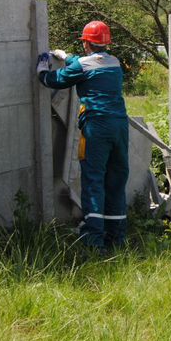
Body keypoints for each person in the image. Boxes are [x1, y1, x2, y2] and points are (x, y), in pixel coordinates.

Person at [36, 20, 129, 253]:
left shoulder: (83, 66)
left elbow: (53, 80)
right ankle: (116, 237)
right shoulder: (115, 62)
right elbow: (84, 63)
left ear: (87, 42)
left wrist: (42, 67)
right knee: (116, 180)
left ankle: (94, 239)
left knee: (94, 180)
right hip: (119, 126)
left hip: (96, 128)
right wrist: (67, 56)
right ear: (105, 43)